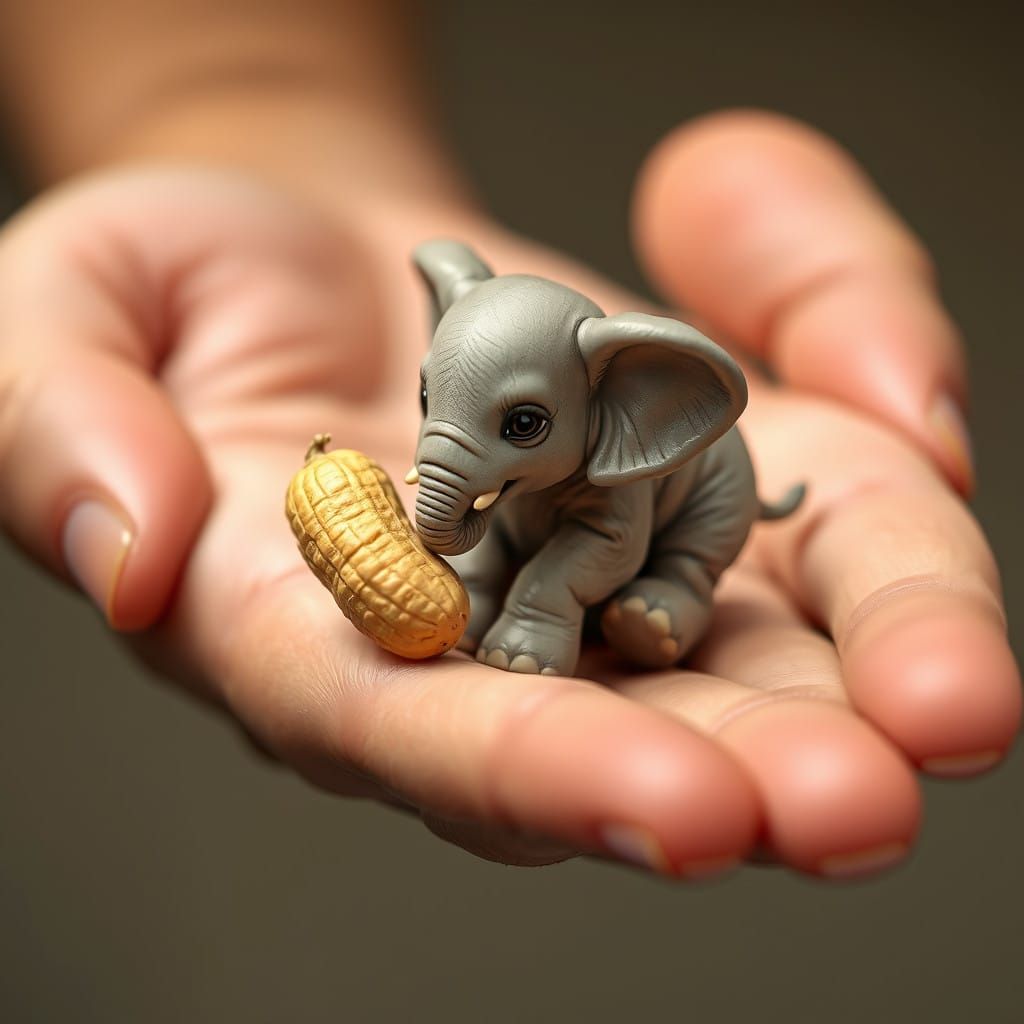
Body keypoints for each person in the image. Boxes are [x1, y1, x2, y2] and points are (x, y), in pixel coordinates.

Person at [0, 1, 1016, 878]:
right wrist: (269, 133)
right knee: (504, 525)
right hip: (538, 457)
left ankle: (685, 590)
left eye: (522, 421)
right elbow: (492, 501)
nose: (445, 448)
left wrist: (542, 603)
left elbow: (599, 540)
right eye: (432, 395)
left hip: (680, 508)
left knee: (646, 545)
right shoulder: (506, 443)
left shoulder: (633, 453)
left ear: (624, 399)